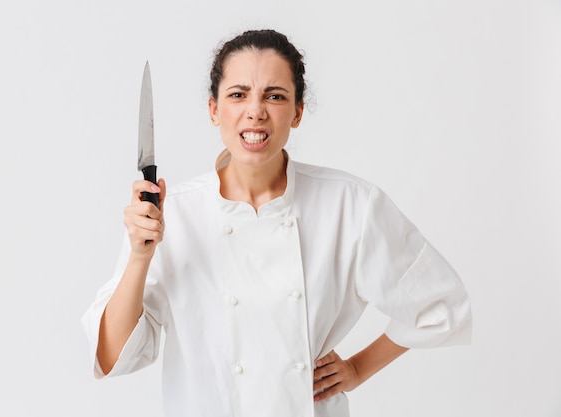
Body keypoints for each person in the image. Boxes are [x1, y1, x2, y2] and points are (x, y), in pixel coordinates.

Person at [82, 29, 472, 417]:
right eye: (237, 95)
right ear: (214, 109)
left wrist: (357, 369)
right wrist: (138, 256)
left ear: (298, 112)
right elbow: (114, 355)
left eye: (275, 95)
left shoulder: (350, 204)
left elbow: (439, 304)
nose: (255, 111)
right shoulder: (171, 214)